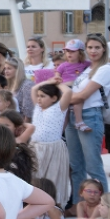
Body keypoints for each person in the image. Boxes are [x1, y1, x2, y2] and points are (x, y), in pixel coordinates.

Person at [64, 35, 110, 203]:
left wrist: (60, 99)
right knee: (76, 167)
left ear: (104, 49)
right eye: (90, 47)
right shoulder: (86, 70)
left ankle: (104, 207)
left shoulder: (105, 69)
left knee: (94, 167)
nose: (93, 51)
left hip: (90, 116)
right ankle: (81, 207)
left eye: (97, 47)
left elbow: (83, 95)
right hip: (73, 116)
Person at [30, 79, 72, 209]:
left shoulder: (59, 108)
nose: (39, 99)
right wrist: (49, 81)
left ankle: (56, 208)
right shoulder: (38, 108)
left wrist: (57, 83)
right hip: (36, 148)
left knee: (53, 179)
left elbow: (68, 91)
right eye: (38, 96)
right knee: (36, 178)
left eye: (43, 96)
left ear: (54, 98)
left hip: (53, 149)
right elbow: (33, 89)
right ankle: (37, 206)